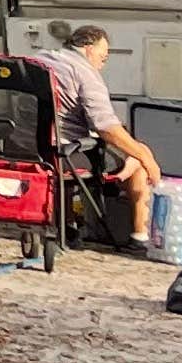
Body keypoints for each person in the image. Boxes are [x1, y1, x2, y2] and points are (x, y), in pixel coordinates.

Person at [43, 23, 161, 247]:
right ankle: (140, 236)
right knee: (137, 156)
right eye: (103, 57)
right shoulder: (85, 73)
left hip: (26, 148)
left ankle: (69, 224)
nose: (102, 64)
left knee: (129, 152)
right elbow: (106, 127)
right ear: (88, 48)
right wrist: (146, 158)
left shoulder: (40, 59)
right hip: (65, 154)